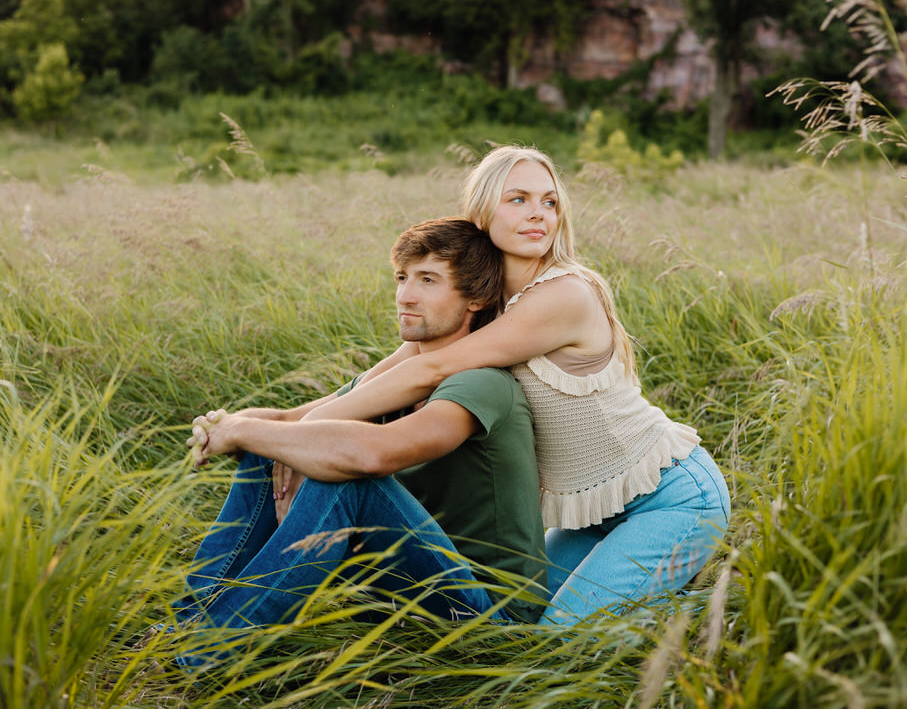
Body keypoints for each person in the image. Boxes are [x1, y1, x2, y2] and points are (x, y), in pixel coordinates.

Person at [304, 146, 731, 625]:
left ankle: (705, 618)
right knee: (524, 624)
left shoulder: (563, 293)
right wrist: (290, 424)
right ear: (483, 211)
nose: (538, 215)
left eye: (550, 202)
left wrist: (303, 434)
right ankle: (659, 604)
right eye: (519, 199)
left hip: (672, 495)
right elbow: (386, 373)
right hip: (595, 511)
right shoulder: (484, 301)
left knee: (559, 648)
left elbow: (428, 372)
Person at [176, 218, 547, 666]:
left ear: (477, 298)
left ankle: (204, 656)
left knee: (345, 477)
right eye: (402, 277)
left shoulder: (482, 384)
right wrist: (228, 425)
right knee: (270, 446)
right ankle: (186, 628)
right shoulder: (402, 376)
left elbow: (374, 455)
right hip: (412, 587)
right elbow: (291, 420)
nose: (405, 295)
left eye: (428, 280)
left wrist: (256, 433)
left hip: (489, 620)